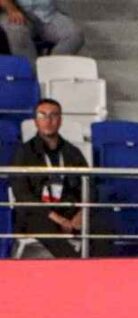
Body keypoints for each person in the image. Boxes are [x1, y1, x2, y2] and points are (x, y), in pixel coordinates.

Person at [11, 98, 109, 257]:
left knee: (103, 225)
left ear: (60, 120)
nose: (48, 121)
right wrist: (58, 219)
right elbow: (22, 194)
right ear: (36, 121)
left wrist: (81, 214)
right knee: (42, 226)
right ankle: (76, 269)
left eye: (54, 115)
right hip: (38, 214)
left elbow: (89, 187)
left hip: (69, 211)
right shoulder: (24, 152)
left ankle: (97, 270)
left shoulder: (72, 152)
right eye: (43, 116)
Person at [0, 0, 84, 64]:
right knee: (17, 33)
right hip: (16, 11)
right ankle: (31, 74)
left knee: (75, 35)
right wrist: (11, 9)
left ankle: (50, 67)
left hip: (48, 13)